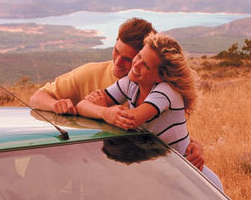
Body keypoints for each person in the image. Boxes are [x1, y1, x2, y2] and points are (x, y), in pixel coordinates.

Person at [29, 17, 205, 169]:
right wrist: (57, 105)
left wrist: (193, 145)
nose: (118, 62)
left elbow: (160, 128)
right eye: (116, 51)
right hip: (94, 165)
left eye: (128, 58)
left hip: (137, 169)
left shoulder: (155, 88)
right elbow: (37, 98)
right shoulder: (92, 74)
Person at [76, 32, 223, 190]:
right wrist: (104, 113)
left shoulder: (166, 91)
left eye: (145, 65)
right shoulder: (131, 84)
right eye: (139, 56)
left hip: (195, 182)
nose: (136, 64)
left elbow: (131, 120)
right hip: (165, 177)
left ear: (160, 76)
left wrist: (103, 109)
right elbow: (81, 106)